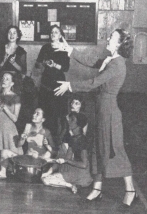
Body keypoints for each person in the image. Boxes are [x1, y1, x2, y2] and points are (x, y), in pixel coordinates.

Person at [53, 29, 137, 206]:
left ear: (120, 43)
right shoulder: (110, 59)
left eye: (112, 37)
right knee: (98, 149)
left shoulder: (118, 64)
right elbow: (92, 61)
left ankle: (130, 190)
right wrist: (70, 50)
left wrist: (70, 86)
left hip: (110, 113)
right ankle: (97, 188)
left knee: (115, 150)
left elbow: (94, 83)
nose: (108, 38)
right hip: (100, 109)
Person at [41, 112, 92, 194]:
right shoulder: (73, 138)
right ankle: (72, 185)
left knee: (46, 180)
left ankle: (70, 185)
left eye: (72, 120)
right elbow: (66, 158)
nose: (69, 122)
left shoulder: (82, 140)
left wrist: (66, 161)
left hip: (82, 175)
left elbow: (84, 164)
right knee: (44, 177)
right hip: (74, 171)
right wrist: (50, 160)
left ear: (78, 124)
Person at [35, 25, 70, 136]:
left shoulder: (64, 48)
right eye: (52, 32)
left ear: (60, 35)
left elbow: (65, 68)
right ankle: (43, 139)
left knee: (57, 114)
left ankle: (55, 140)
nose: (53, 34)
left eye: (56, 32)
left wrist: (54, 64)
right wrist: (43, 63)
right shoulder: (45, 47)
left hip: (58, 83)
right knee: (45, 112)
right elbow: (38, 64)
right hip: (46, 82)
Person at [0, 72, 22, 154]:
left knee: (11, 158)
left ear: (12, 83)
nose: (4, 80)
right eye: (3, 78)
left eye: (7, 79)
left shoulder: (16, 97)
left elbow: (15, 119)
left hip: (10, 132)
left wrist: (5, 108)